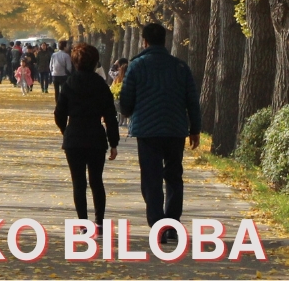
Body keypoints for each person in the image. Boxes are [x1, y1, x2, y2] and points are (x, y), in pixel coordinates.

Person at [119, 22, 201, 240]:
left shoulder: (137, 66)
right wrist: (195, 129)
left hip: (147, 131)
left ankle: (158, 225)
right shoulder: (180, 67)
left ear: (144, 41)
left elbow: (126, 102)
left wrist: (126, 111)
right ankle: (172, 224)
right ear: (164, 40)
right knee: (174, 176)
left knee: (151, 178)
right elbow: (192, 101)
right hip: (175, 129)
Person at [55, 43, 120, 222]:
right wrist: (113, 142)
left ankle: (83, 224)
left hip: (74, 136)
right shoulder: (101, 85)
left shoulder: (69, 84)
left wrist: (65, 130)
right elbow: (110, 116)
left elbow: (59, 113)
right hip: (95, 137)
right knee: (96, 181)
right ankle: (99, 222)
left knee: (79, 183)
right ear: (95, 62)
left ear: (75, 62)